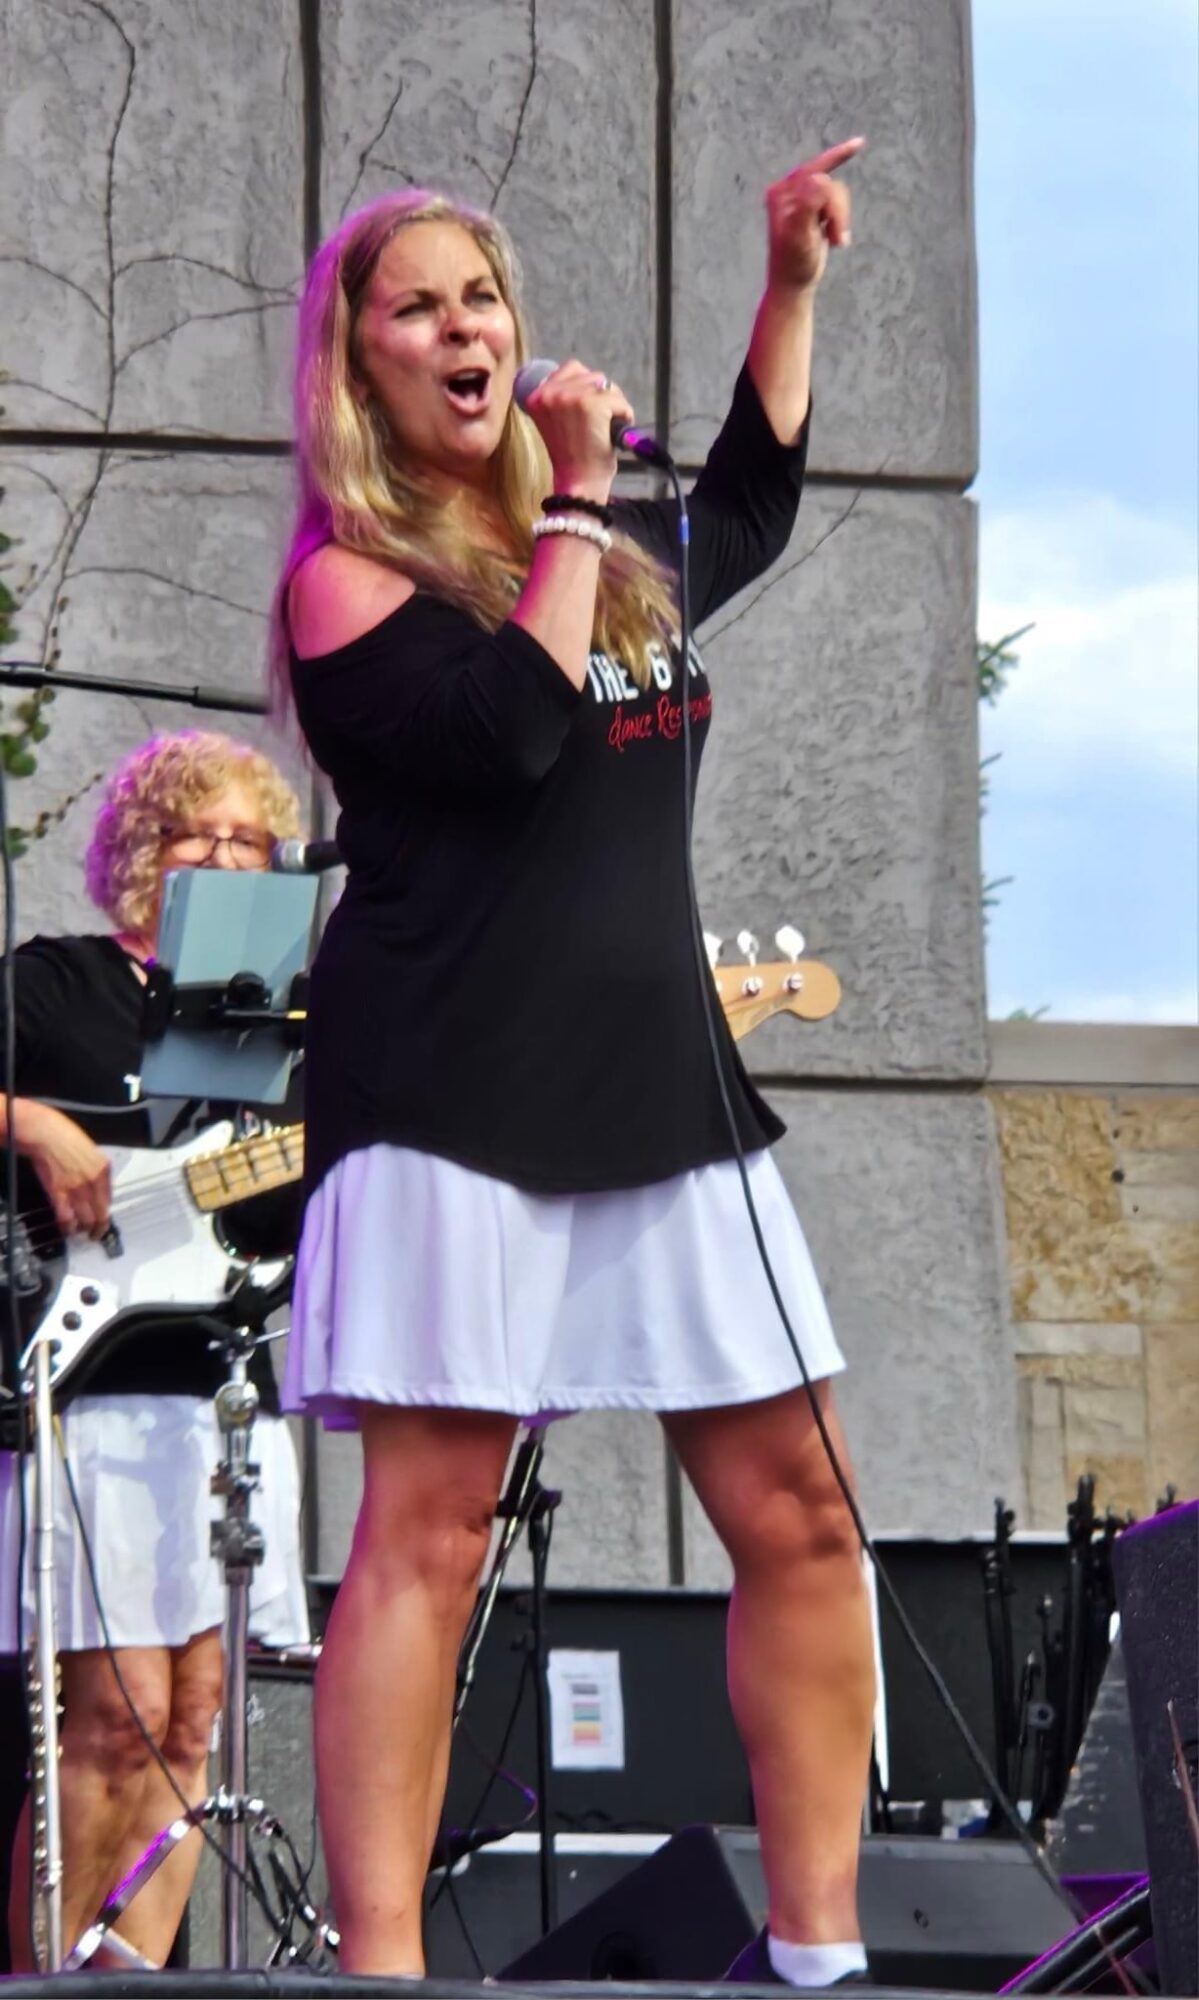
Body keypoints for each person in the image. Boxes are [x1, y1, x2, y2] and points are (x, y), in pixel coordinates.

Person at [278, 143, 876, 1985]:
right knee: (432, 1530)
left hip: (658, 1089)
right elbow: (513, 734)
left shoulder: (607, 560)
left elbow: (750, 499)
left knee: (801, 1512)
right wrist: (576, 507)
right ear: (360, 365)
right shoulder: (346, 587)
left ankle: (818, 1953)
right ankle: (384, 1966)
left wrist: (785, 284)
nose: (464, 329)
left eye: (482, 298)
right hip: (449, 1091)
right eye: (419, 310)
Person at [0, 730, 311, 1971]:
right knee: (112, 1720)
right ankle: (39, 1975)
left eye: (250, 840)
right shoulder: (58, 980)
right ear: (141, 846)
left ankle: (130, 1980)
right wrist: (34, 1124)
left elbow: (277, 1216)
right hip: (98, 1394)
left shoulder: (262, 1013)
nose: (228, 858)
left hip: (221, 1386)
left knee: (193, 1725)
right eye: (201, 834)